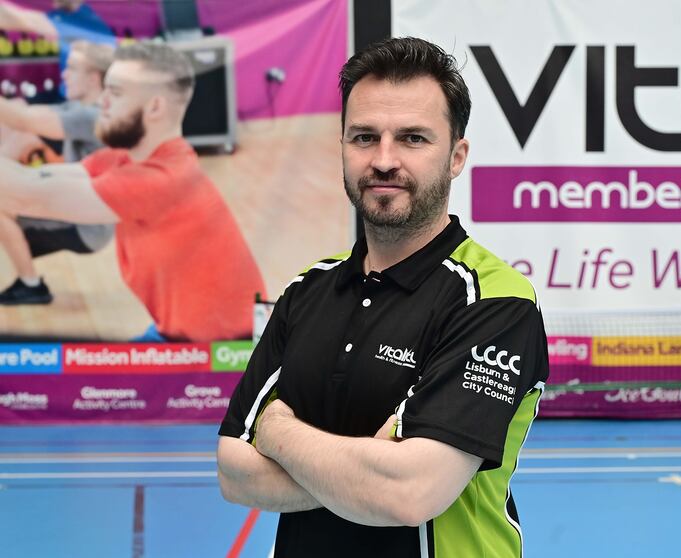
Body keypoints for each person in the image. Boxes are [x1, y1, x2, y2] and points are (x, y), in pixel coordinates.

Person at [217, 37, 549, 557]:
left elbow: (409, 493)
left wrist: (279, 431)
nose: (385, 160)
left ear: (456, 156)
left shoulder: (495, 301)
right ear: (344, 147)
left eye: (413, 138)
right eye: (365, 137)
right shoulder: (307, 289)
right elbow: (235, 473)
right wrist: (366, 471)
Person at [0, 41, 265, 342]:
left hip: (229, 356)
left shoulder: (161, 180)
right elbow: (32, 180)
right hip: (180, 333)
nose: (102, 102)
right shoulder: (124, 158)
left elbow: (25, 194)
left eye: (115, 92)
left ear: (154, 107)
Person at [0, 39, 114, 304]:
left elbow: (22, 118)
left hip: (87, 227)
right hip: (80, 207)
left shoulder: (90, 117)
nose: (64, 73)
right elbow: (23, 114)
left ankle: (31, 285)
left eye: (72, 68)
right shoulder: (83, 108)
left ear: (94, 77)